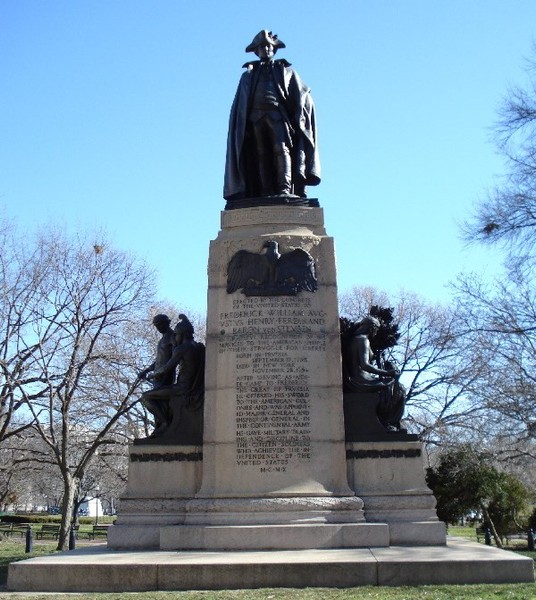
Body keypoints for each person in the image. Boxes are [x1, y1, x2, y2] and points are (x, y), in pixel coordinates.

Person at [224, 30, 320, 201]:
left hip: (278, 115)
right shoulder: (249, 74)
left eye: (268, 46)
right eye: (262, 47)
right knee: (261, 154)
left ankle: (284, 188)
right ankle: (266, 191)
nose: (266, 49)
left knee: (281, 150)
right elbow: (240, 106)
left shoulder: (286, 71)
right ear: (256, 51)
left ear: (274, 49)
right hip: (255, 118)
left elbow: (301, 94)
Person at [141, 314, 205, 439]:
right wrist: (148, 370)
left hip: (178, 386)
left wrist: (152, 375)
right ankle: (162, 427)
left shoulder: (179, 347)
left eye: (176, 334)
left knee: (146, 397)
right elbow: (160, 360)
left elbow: (166, 368)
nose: (175, 337)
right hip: (184, 385)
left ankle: (165, 424)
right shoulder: (197, 347)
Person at [342, 316, 406, 430]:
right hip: (360, 380)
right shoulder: (363, 340)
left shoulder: (353, 339)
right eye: (376, 330)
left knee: (391, 386)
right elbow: (365, 365)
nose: (376, 333)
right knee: (396, 387)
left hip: (355, 378)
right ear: (372, 328)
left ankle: (386, 422)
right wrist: (388, 372)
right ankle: (387, 422)